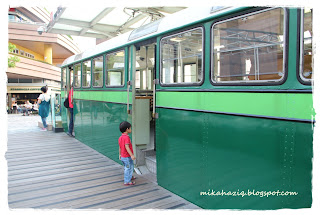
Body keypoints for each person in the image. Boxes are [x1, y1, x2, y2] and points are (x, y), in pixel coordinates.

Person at [118, 121, 136, 185]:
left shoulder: (120, 138)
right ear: (127, 129)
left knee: (128, 167)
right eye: (130, 128)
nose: (131, 129)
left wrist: (120, 154)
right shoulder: (127, 137)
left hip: (123, 156)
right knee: (128, 168)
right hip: (127, 157)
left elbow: (120, 147)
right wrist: (132, 155)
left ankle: (129, 177)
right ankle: (127, 181)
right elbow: (127, 147)